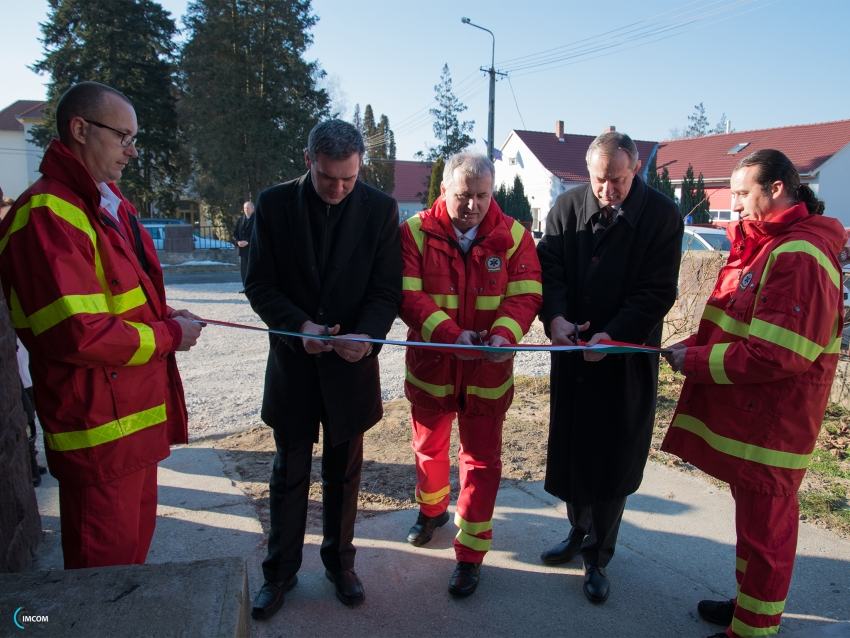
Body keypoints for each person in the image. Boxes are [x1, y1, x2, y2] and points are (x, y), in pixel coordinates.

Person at [0, 81, 202, 569]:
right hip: (97, 432)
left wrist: (162, 316)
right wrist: (171, 335)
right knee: (102, 577)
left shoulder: (103, 203)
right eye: (123, 138)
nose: (132, 152)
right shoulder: (48, 215)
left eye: (135, 139)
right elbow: (79, 332)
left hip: (126, 424)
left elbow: (115, 300)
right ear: (80, 130)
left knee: (129, 566)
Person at [661, 149, 845, 638]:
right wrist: (694, 346)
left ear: (777, 189)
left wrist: (696, 362)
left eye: (742, 193)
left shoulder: (798, 255)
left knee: (767, 534)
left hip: (775, 424)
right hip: (757, 416)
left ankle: (753, 629)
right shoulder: (771, 245)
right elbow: (743, 325)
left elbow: (775, 353)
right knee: (753, 525)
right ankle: (747, 607)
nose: (734, 204)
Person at [245, 119, 401, 619]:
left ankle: (340, 564)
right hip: (294, 365)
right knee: (287, 474)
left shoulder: (381, 210)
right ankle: (280, 572)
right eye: (328, 177)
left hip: (350, 368)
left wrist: (368, 335)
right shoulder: (271, 206)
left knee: (345, 474)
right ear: (308, 159)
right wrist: (298, 326)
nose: (338, 189)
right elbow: (260, 284)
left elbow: (385, 291)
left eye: (349, 179)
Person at [536, 131, 683, 604]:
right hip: (574, 355)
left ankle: (599, 555)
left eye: (616, 180)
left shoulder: (660, 216)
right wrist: (554, 316)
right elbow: (550, 270)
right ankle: (577, 532)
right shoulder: (565, 209)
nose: (606, 190)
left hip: (623, 358)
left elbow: (657, 291)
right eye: (599, 180)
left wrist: (617, 337)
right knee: (575, 448)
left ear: (635, 169)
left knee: (613, 455)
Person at [399, 151, 542, 597]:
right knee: (428, 447)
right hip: (433, 365)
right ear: (444, 190)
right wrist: (448, 333)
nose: (472, 206)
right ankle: (431, 511)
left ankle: (470, 553)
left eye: (482, 196)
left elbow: (526, 295)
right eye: (463, 195)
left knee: (482, 462)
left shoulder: (516, 236)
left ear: (492, 192)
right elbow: (407, 294)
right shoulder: (415, 232)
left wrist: (504, 334)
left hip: (487, 372)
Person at [233, 201, 255, 293]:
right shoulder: (240, 219)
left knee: (252, 269)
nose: (246, 210)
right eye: (245, 208)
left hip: (252, 248)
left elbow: (257, 233)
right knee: (244, 269)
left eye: (248, 208)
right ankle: (246, 287)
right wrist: (238, 241)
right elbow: (235, 233)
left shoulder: (256, 219)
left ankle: (253, 287)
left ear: (253, 209)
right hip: (242, 249)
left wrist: (248, 241)